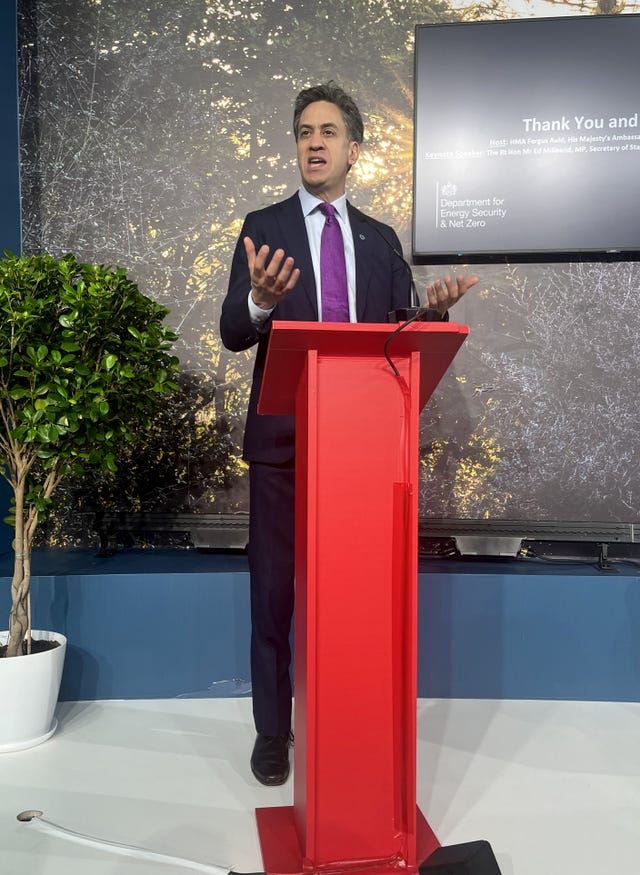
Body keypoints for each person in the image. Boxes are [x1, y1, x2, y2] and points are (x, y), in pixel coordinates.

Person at [220, 81, 478, 786]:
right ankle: (274, 733)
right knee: (274, 596)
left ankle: (350, 718)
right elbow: (232, 331)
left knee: (356, 594)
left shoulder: (379, 239)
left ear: (353, 149)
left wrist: (428, 316)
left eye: (328, 131)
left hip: (359, 448)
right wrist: (259, 301)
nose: (314, 141)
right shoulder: (263, 226)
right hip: (282, 444)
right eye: (304, 130)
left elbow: (395, 343)